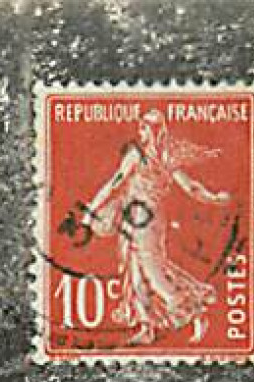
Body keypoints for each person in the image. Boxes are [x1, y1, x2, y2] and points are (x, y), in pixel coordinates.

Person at [81, 109, 231, 345]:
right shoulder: (152, 155)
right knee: (135, 271)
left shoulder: (159, 156)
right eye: (140, 127)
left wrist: (212, 198)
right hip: (132, 217)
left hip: (147, 219)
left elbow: (189, 186)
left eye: (144, 128)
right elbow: (117, 183)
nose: (141, 132)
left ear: (153, 130)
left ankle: (193, 312)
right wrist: (92, 210)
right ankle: (146, 326)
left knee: (153, 272)